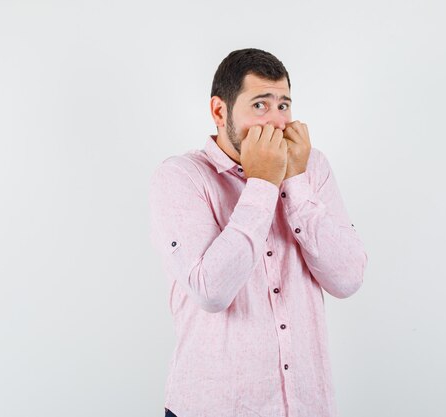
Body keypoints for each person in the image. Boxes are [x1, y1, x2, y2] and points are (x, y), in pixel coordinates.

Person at [149, 48, 368, 417]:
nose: (277, 123)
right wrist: (263, 184)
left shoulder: (312, 167)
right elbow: (211, 291)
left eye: (284, 105)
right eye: (260, 106)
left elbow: (348, 279)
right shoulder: (180, 177)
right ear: (220, 111)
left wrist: (295, 182)